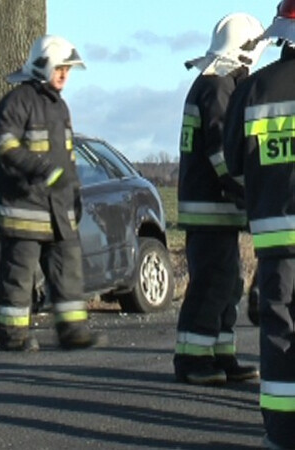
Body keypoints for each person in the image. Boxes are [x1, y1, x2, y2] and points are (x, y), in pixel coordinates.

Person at [0, 35, 104, 352]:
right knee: (18, 274)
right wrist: (42, 169)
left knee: (68, 271)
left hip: (58, 209)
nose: (64, 75)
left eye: (68, 69)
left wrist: (74, 195)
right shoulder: (17, 102)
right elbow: (4, 146)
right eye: (59, 68)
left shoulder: (60, 107)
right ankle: (13, 336)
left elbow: (68, 159)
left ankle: (72, 331)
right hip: (23, 208)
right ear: (43, 66)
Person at [173, 13, 266, 386]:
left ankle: (220, 353)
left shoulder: (213, 83)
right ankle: (192, 359)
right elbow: (221, 149)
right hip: (211, 208)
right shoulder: (217, 88)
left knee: (228, 283)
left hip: (214, 210)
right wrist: (244, 187)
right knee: (211, 283)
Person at [223, 1, 295, 447]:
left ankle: (284, 431)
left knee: (280, 329)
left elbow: (233, 162)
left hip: (276, 237)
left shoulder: (253, 88)